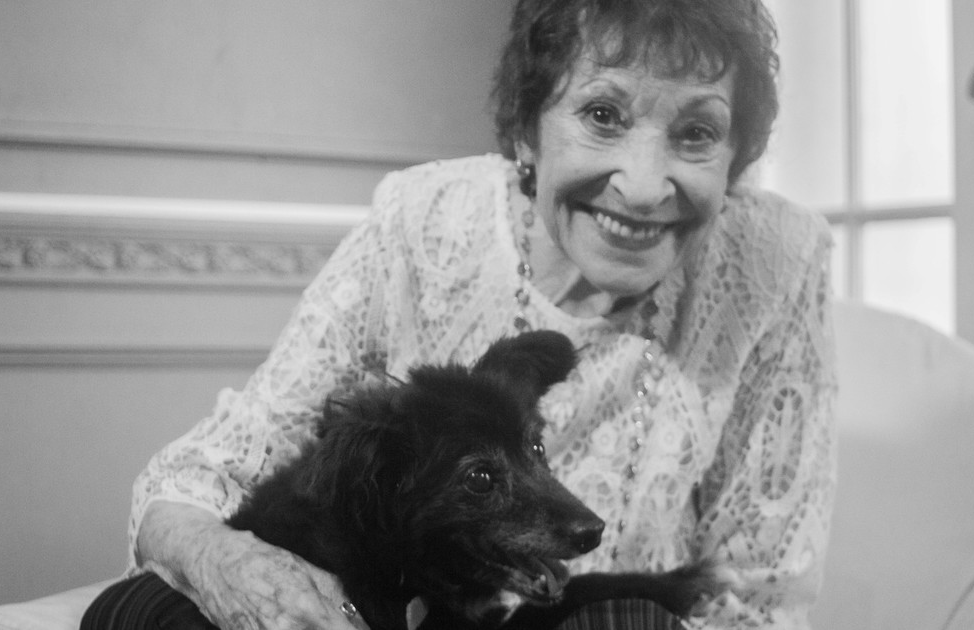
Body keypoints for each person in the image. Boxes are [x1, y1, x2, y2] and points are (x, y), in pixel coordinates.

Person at [84, 0, 837, 628]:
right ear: (527, 130)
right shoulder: (424, 222)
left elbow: (757, 595)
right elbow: (207, 476)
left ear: (736, 158)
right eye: (603, 115)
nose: (643, 187)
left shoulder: (775, 258)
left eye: (696, 132)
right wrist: (229, 565)